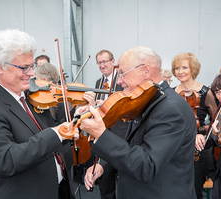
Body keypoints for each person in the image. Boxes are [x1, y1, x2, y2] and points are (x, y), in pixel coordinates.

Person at [80, 46, 197, 199]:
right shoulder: (143, 100)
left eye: (122, 73)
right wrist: (103, 164)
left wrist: (101, 134)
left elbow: (146, 166)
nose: (120, 81)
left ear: (145, 71)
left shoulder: (170, 109)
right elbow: (128, 143)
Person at [0, 29, 75, 199]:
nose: (32, 73)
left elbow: (52, 147)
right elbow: (6, 160)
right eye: (24, 67)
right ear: (1, 67)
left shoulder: (32, 98)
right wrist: (55, 133)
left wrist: (76, 121)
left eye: (32, 66)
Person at [171, 52, 217, 199]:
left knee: (194, 191)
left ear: (193, 69)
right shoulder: (171, 93)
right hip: (174, 148)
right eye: (177, 68)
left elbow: (216, 122)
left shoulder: (205, 92)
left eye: (184, 67)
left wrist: (200, 134)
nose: (180, 71)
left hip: (197, 150)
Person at [94, 49, 129, 199]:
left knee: (122, 180)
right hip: (103, 134)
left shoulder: (123, 81)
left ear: (113, 62)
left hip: (121, 133)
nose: (102, 65)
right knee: (105, 181)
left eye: (105, 61)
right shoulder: (98, 82)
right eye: (99, 62)